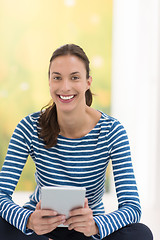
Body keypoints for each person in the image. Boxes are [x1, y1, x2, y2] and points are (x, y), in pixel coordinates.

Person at [0, 44, 153, 240]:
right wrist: (28, 220)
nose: (65, 87)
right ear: (49, 82)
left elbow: (132, 206)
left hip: (87, 230)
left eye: (74, 77)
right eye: (57, 78)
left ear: (88, 82)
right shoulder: (29, 127)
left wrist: (96, 225)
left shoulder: (112, 131)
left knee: (141, 233)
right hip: (39, 231)